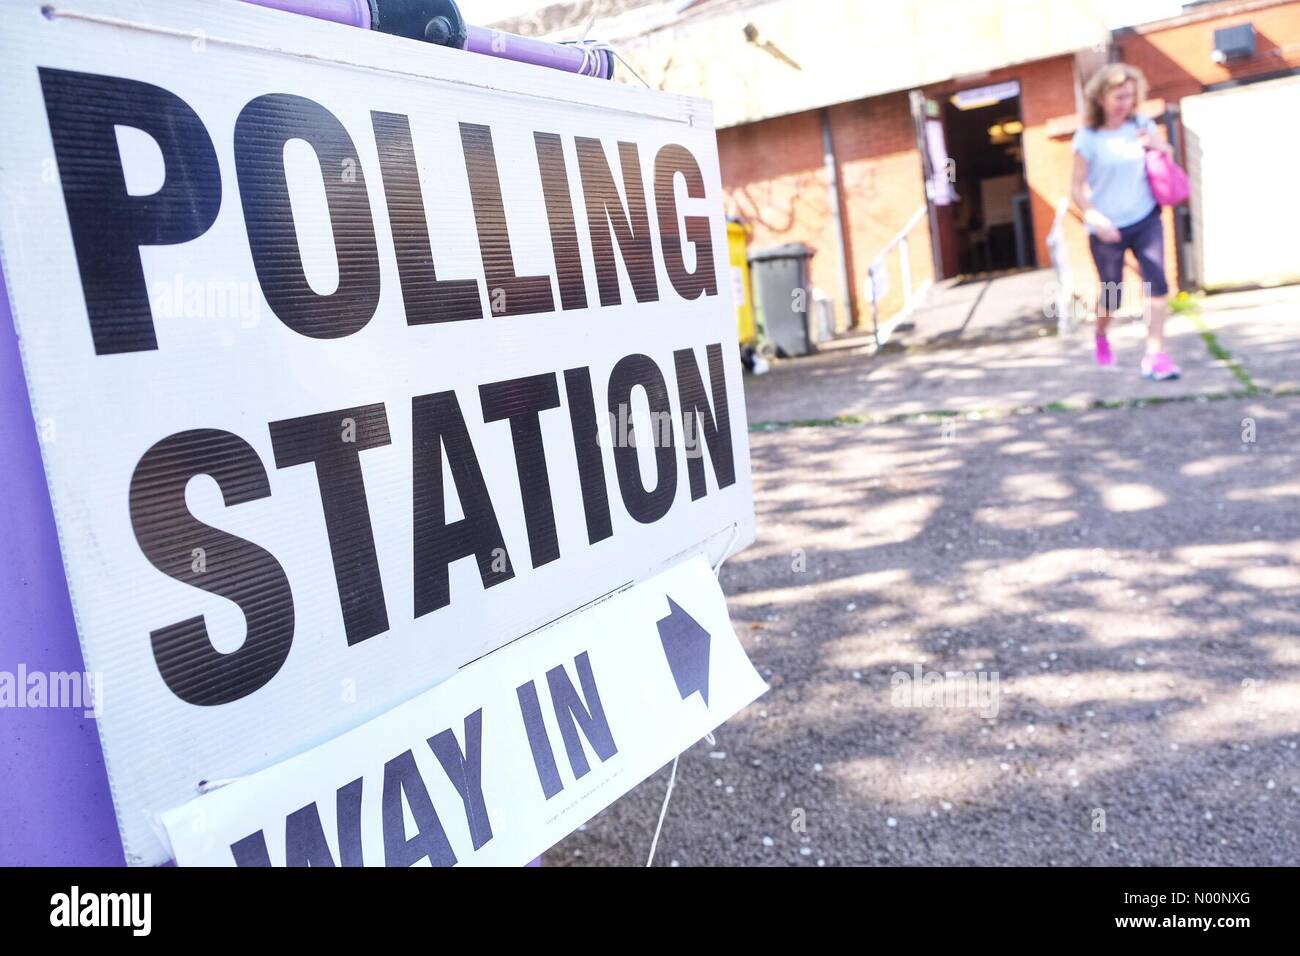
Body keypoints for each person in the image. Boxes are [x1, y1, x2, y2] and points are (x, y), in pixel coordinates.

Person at [1071, 63, 1180, 380]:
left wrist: (1161, 147)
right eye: (1119, 96)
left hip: (1145, 217)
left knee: (1157, 283)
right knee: (1111, 294)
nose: (1126, 103)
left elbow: (1165, 160)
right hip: (1107, 228)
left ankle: (1155, 355)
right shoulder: (1087, 137)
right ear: (1101, 97)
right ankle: (1101, 334)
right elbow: (1076, 187)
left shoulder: (1142, 125)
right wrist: (1093, 216)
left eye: (1130, 96)